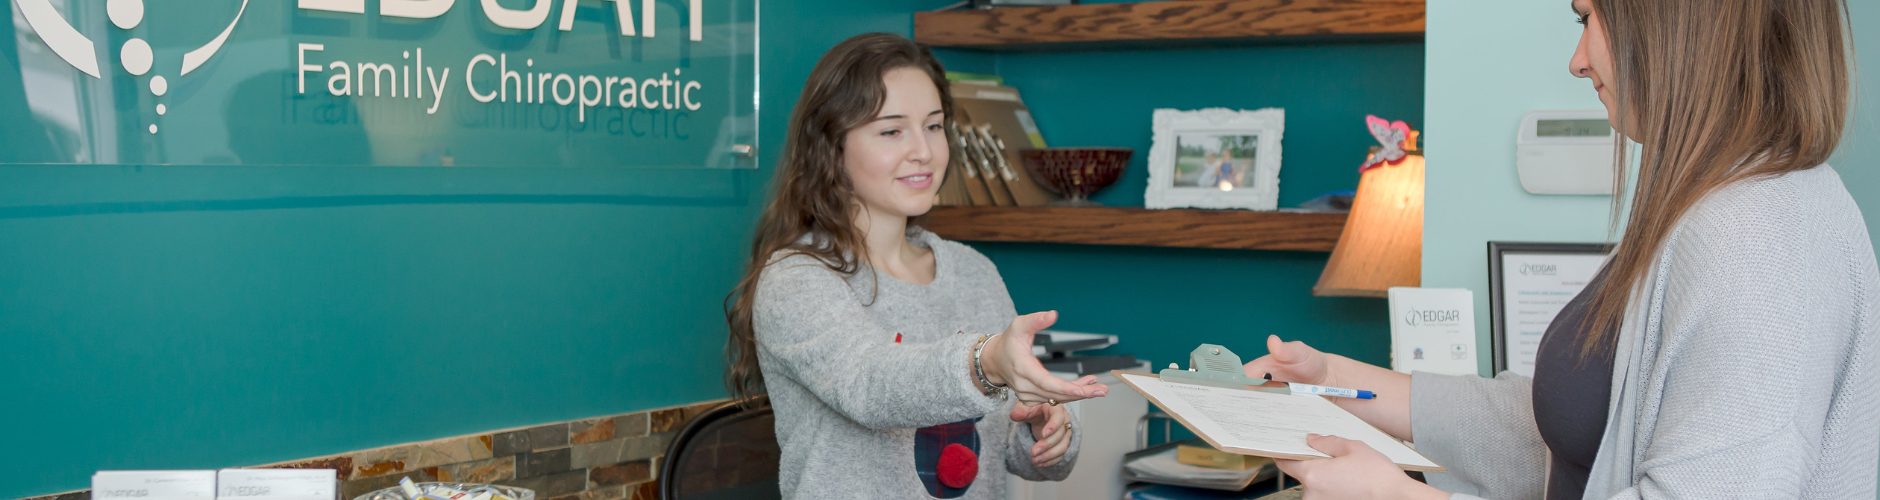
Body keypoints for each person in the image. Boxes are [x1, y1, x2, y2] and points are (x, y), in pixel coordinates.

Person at [1244, 1, 1877, 498]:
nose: (1577, 60)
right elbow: (1572, 436)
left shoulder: (1757, 236)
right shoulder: (1712, 206)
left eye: (1587, 17)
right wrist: (1334, 381)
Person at [720, 33, 1108, 499]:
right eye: (891, 131)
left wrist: (1044, 431)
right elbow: (870, 384)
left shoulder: (973, 271)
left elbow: (1005, 444)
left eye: (933, 126)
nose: (923, 151)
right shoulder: (796, 279)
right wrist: (986, 362)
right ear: (831, 147)